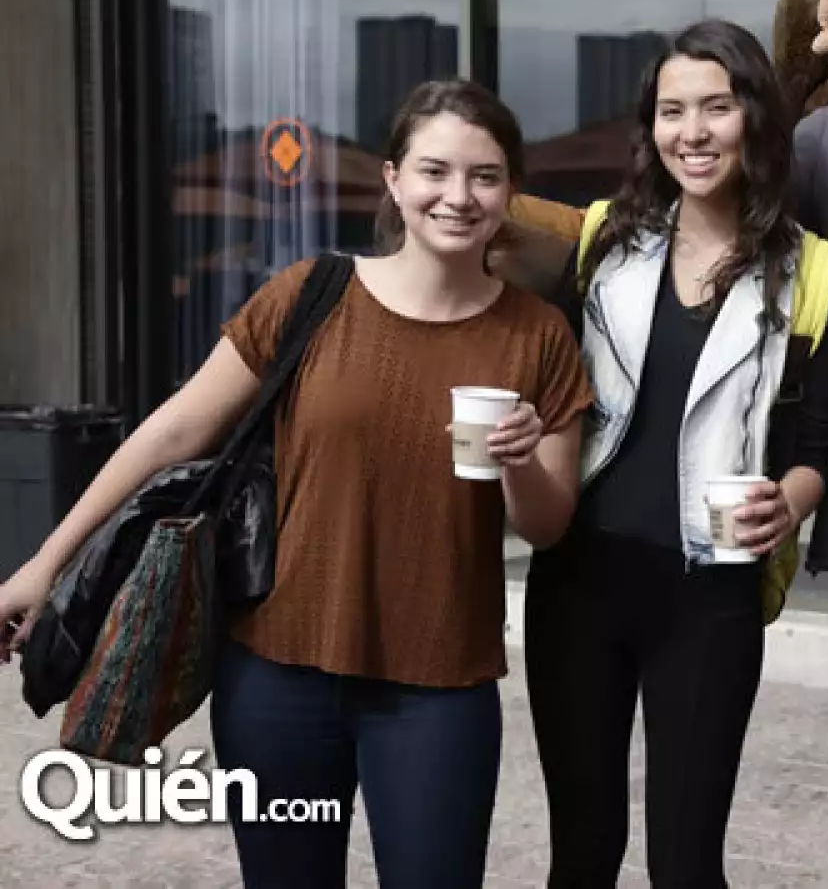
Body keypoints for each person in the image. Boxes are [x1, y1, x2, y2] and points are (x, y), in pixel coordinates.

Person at [0, 79, 594, 889]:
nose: (458, 196)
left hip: (439, 690)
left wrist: (521, 458)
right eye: (434, 171)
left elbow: (550, 524)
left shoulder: (540, 335)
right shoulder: (312, 295)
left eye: (484, 176)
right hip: (277, 682)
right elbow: (173, 432)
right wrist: (45, 564)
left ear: (511, 191)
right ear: (393, 179)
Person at [525, 18, 828, 889]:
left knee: (686, 863)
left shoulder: (820, 275)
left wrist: (790, 499)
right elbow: (554, 386)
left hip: (707, 595)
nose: (694, 132)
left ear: (754, 116)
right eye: (673, 111)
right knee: (583, 854)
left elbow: (821, 442)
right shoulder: (604, 240)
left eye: (717, 106)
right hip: (579, 584)